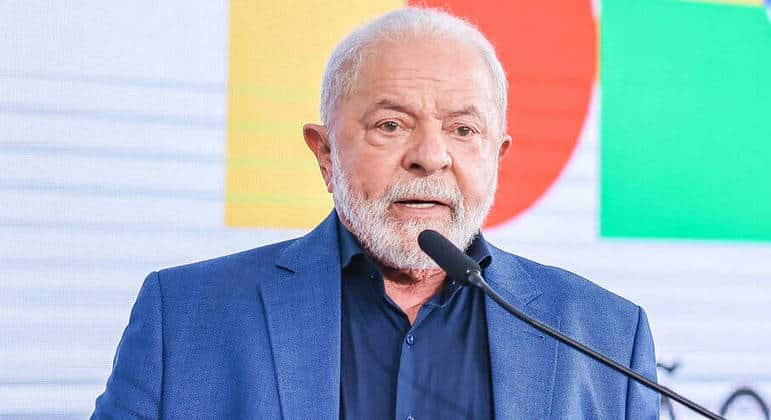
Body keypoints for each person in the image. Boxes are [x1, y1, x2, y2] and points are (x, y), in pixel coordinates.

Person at [92, 7, 659, 419]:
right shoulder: (185, 319)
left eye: (464, 130)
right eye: (391, 125)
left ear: (497, 156)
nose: (430, 156)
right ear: (325, 153)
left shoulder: (607, 338)